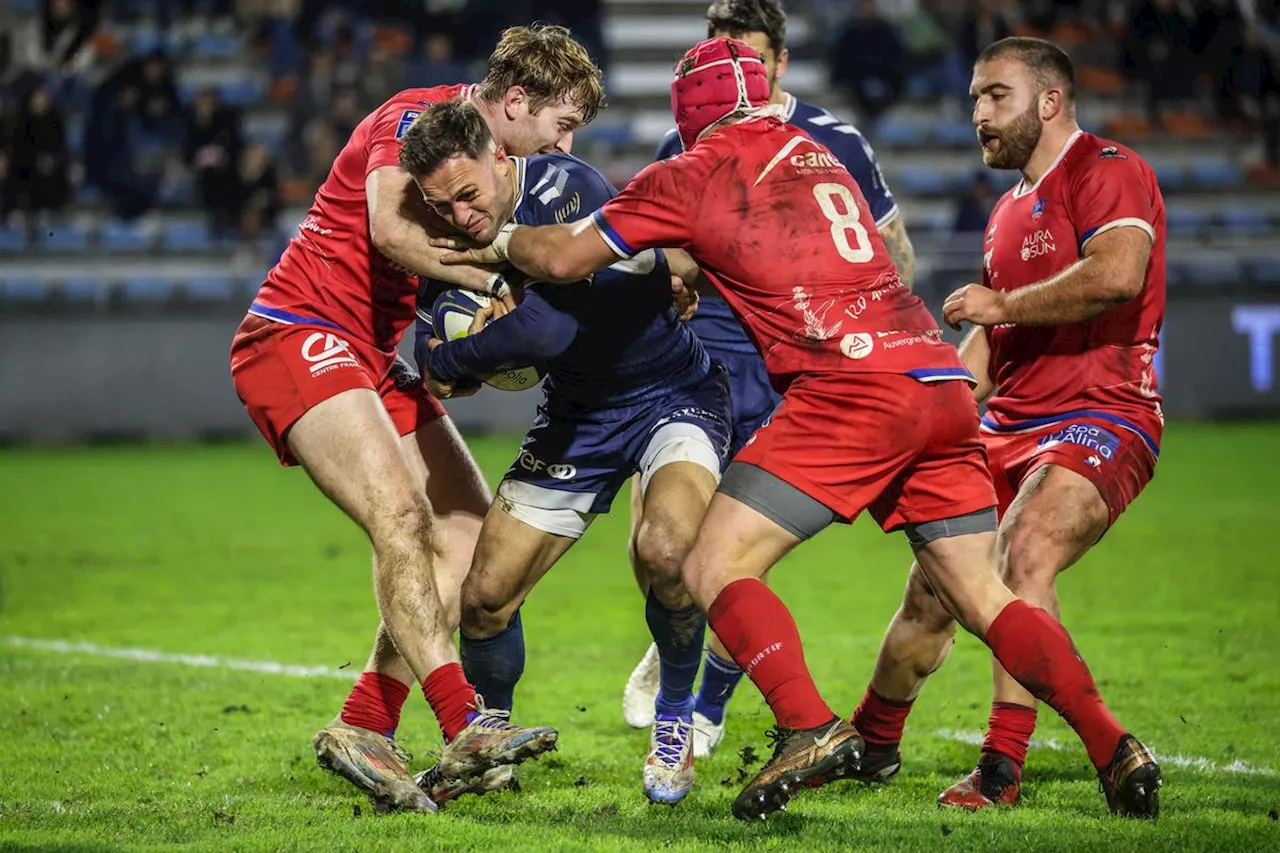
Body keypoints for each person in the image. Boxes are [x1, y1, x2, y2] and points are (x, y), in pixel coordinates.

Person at [434, 37, 1162, 822]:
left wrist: (496, 240)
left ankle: (807, 725)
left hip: (848, 385)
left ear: (689, 116)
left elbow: (571, 256)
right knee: (986, 593)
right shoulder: (817, 155)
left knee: (711, 559)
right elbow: (765, 247)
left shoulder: (691, 171)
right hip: (938, 378)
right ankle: (1114, 744)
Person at [227, 24, 605, 814]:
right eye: (559, 125)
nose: (563, 144)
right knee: (400, 512)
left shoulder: (498, 175)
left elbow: (440, 307)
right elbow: (389, 231)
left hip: (365, 351)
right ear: (513, 104)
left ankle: (365, 721)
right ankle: (464, 723)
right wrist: (513, 263)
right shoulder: (415, 119)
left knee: (468, 537)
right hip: (297, 330)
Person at [850, 35, 1168, 813]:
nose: (979, 115)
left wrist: (1002, 304)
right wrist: (924, 403)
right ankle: (869, 742)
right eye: (973, 101)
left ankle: (1002, 767)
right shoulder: (1003, 213)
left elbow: (1119, 275)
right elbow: (991, 345)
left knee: (1022, 550)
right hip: (1005, 424)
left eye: (995, 96)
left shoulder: (1109, 169)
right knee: (931, 591)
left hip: (1104, 411)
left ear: (1050, 101)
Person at [397, 100, 731, 806]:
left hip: (670, 390)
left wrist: (460, 355)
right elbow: (440, 348)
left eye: (467, 194)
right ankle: (488, 740)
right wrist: (454, 358)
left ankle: (673, 717)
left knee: (668, 552)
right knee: (485, 598)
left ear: (498, 157)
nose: (459, 216)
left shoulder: (566, 186)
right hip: (578, 416)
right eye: (440, 204)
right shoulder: (450, 236)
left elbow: (541, 335)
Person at [621, 0, 917, 760]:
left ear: (777, 63)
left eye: (749, 61)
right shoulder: (681, 141)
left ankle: (706, 700)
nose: (736, 78)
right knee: (660, 549)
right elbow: (656, 253)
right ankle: (682, 641)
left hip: (791, 367)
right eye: (722, 60)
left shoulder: (833, 139)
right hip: (700, 359)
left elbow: (893, 254)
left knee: (736, 548)